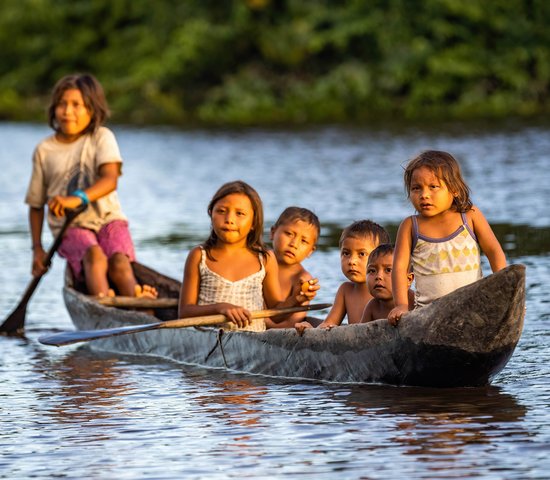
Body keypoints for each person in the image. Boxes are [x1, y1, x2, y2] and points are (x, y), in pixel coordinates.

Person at [25, 73, 157, 299]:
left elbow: (110, 179)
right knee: (94, 256)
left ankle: (139, 305)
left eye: (77, 105)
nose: (67, 112)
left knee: (119, 263)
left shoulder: (101, 137)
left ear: (92, 109)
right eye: (62, 104)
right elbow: (36, 205)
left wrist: (78, 198)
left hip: (108, 219)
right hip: (70, 227)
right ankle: (105, 303)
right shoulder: (44, 150)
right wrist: (37, 248)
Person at [178, 181, 318, 332]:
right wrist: (221, 308)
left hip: (253, 344)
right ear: (211, 213)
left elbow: (276, 314)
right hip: (207, 341)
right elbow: (185, 313)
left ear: (253, 222)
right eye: (221, 211)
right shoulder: (200, 256)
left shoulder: (264, 259)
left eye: (240, 214)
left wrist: (295, 300)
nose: (229, 219)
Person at [388, 150, 506, 325]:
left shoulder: (470, 216)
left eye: (433, 187)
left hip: (473, 309)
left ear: (455, 190)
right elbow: (399, 268)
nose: (424, 195)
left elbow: (494, 252)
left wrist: (504, 295)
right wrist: (402, 305)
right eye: (416, 188)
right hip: (428, 316)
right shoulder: (410, 226)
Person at [295, 219, 390, 333]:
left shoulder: (386, 290)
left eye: (361, 254)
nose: (352, 261)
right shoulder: (346, 290)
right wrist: (311, 330)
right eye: (346, 253)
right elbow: (328, 324)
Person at [265, 206, 320, 329]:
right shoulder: (260, 260)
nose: (294, 244)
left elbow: (291, 325)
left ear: (311, 251)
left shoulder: (302, 280)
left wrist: (259, 323)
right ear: (273, 233)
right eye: (289, 234)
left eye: (304, 241)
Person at [360, 243, 414, 323]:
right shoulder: (372, 306)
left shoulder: (415, 302)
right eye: (372, 271)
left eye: (388, 270)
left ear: (408, 280)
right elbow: (361, 333)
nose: (378, 276)